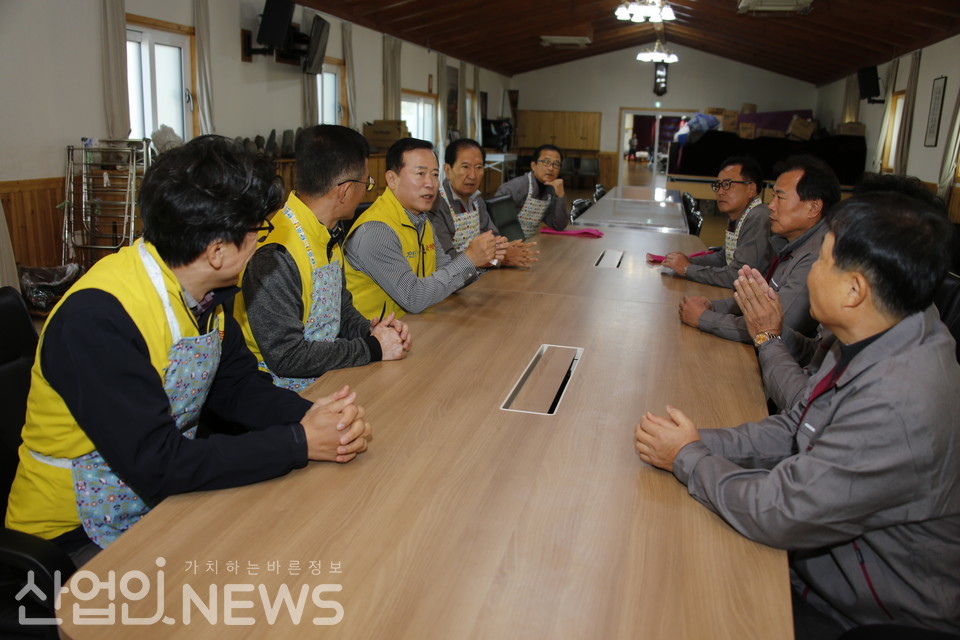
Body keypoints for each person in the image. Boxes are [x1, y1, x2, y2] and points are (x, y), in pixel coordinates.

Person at [5, 136, 371, 565]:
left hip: (155, 504)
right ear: (217, 251)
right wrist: (299, 441)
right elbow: (158, 463)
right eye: (258, 231)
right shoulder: (97, 319)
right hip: (73, 537)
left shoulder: (204, 294)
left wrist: (310, 416)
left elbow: (237, 387)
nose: (261, 243)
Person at [636, 193, 960, 638]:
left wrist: (688, 458)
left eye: (823, 261)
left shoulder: (899, 402)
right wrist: (693, 441)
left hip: (866, 614)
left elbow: (781, 511)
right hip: (825, 568)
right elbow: (797, 425)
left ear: (855, 290)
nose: (810, 272)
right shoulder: (881, 329)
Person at [734, 173, 950, 411]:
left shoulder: (894, 388)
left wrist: (768, 338)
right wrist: (771, 326)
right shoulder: (885, 310)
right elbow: (817, 354)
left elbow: (808, 414)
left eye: (824, 261)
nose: (813, 271)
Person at [234, 125, 411, 393]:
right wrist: (373, 348)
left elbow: (341, 310)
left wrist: (370, 331)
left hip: (325, 379)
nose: (366, 192)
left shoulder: (327, 232)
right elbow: (287, 356)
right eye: (366, 184)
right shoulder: (275, 254)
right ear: (345, 191)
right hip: (279, 394)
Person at [679, 155, 840, 343]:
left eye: (780, 197)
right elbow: (763, 301)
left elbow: (773, 326)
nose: (771, 206)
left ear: (813, 207)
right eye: (773, 198)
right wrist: (713, 306)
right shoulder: (792, 243)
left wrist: (704, 318)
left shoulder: (817, 255)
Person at [343, 137, 504, 319]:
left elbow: (447, 275)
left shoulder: (421, 221)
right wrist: (470, 258)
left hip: (413, 326)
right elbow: (414, 298)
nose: (431, 183)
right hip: (375, 338)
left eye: (435, 175)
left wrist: (481, 261)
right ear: (392, 179)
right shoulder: (376, 231)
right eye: (420, 174)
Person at [655, 156, 771, 289]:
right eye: (718, 185)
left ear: (751, 189)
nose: (720, 192)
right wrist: (689, 261)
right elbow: (725, 257)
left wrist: (688, 269)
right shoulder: (741, 214)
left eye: (727, 185)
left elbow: (738, 276)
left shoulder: (758, 217)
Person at [429, 138, 539, 268]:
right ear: (447, 170)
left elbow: (494, 237)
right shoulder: (434, 204)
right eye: (465, 167)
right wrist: (499, 260)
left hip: (480, 274)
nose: (473, 175)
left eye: (479, 167)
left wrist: (506, 248)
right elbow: (447, 259)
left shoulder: (477, 200)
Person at [494, 144, 569, 238]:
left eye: (556, 164)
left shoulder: (551, 190)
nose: (551, 168)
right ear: (533, 165)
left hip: (528, 243)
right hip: (505, 244)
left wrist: (560, 194)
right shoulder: (514, 187)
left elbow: (559, 225)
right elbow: (496, 222)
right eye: (546, 162)